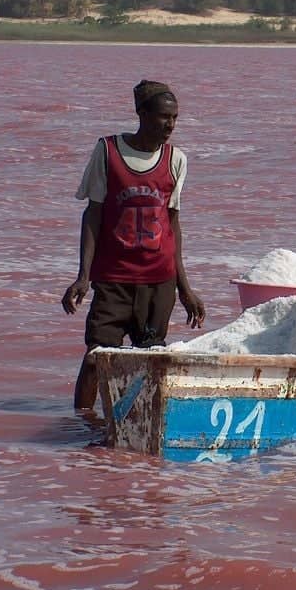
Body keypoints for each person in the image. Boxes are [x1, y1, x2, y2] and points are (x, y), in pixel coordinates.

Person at [61, 80, 206, 411]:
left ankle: (138, 431)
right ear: (141, 114)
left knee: (150, 361)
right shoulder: (108, 151)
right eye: (163, 117)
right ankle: (81, 424)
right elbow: (93, 215)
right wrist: (83, 276)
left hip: (159, 282)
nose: (169, 125)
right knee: (98, 357)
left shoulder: (176, 160)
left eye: (175, 118)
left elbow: (172, 225)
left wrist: (185, 288)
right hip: (114, 280)